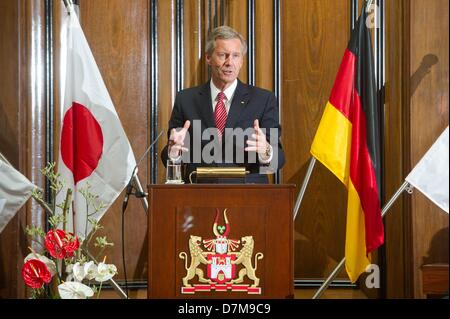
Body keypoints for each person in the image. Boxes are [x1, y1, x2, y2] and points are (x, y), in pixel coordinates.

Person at [161, 26, 285, 184]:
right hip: (199, 195)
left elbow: (279, 159)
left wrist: (266, 151)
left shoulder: (263, 99)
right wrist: (174, 153)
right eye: (222, 55)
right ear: (208, 58)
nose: (229, 62)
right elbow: (168, 158)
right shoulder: (186, 99)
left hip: (248, 196)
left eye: (235, 56)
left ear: (241, 61)